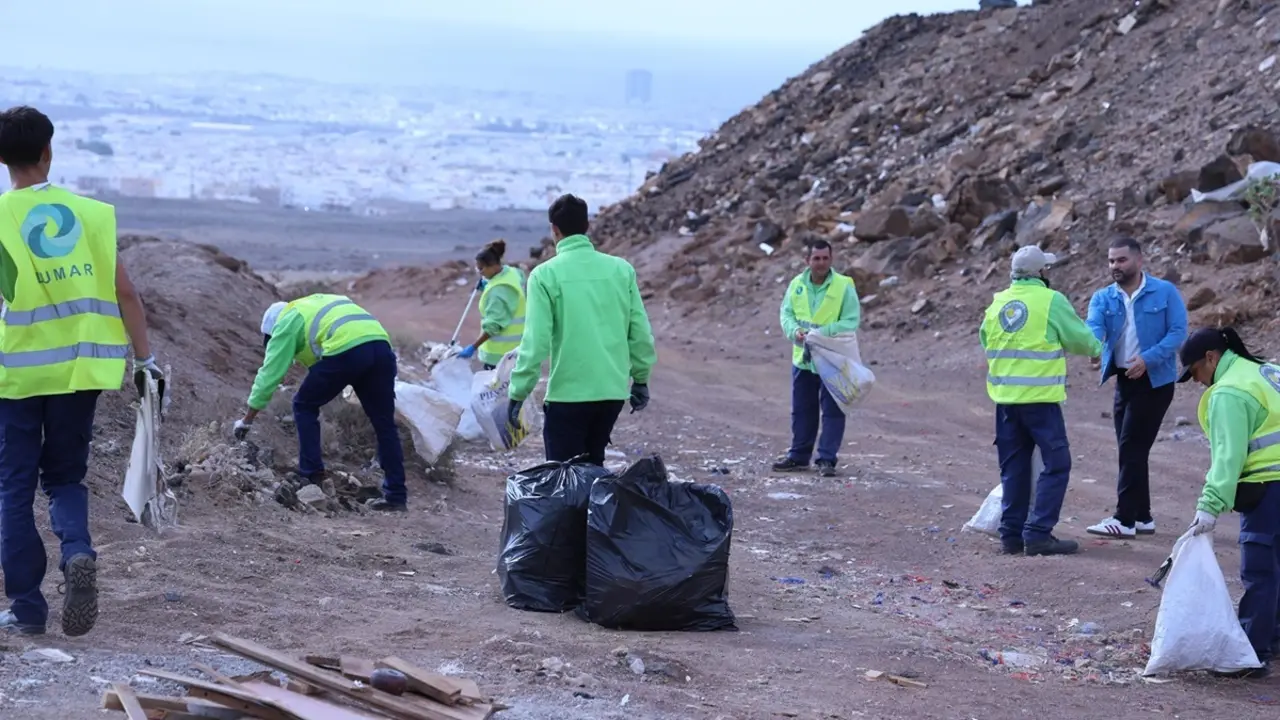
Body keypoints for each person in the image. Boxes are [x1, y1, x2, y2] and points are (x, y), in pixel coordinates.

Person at [0, 105, 161, 637]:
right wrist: (145, 360)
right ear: (49, 151)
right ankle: (77, 552)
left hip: (17, 376)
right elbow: (126, 293)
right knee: (65, 477)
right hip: (82, 372)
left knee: (14, 487)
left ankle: (27, 609)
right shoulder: (91, 215)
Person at [505, 194, 656, 466]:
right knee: (593, 468)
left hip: (568, 396)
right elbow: (640, 332)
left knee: (565, 477)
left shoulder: (544, 275)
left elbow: (536, 341)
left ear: (554, 229)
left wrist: (518, 391)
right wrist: (641, 379)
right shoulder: (621, 270)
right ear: (587, 226)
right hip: (611, 394)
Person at [232, 294, 407, 511]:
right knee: (384, 424)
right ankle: (396, 496)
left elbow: (270, 374)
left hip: (348, 350)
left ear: (272, 330)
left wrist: (247, 420)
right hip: (381, 347)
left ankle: (311, 474)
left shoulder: (287, 320)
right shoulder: (313, 305)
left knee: (304, 405)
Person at [980, 246, 1101, 557]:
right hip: (1040, 402)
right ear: (1041, 272)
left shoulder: (998, 302)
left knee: (1015, 468)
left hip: (1005, 402)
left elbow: (985, 340)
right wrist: (1097, 349)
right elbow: (1081, 340)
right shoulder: (1050, 300)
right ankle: (1037, 534)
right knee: (1057, 464)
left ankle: (1011, 535)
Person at [1181, 327, 1280, 679]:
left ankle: (1249, 653)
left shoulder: (1229, 391)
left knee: (1260, 570)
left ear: (1211, 358)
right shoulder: (1266, 371)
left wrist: (1209, 506)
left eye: (1195, 371)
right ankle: (1274, 636)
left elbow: (1228, 457)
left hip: (1268, 486)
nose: (1196, 381)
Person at [1085, 237, 1188, 538]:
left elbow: (1178, 332)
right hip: (1124, 381)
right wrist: (1092, 346)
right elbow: (1094, 327)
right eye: (1111, 261)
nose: (1115, 266)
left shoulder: (1165, 292)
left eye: (1121, 260)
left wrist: (1147, 358)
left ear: (1139, 260)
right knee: (1132, 448)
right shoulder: (1103, 297)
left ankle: (1124, 519)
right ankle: (1142, 517)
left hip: (1155, 382)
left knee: (1131, 447)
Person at [771, 240, 861, 478]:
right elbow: (786, 314)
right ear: (807, 260)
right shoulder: (797, 285)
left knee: (833, 411)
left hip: (832, 358)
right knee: (803, 410)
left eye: (825, 258)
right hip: (804, 359)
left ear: (831, 259)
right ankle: (799, 456)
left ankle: (826, 459)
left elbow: (851, 320)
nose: (821, 263)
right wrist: (794, 332)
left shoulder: (843, 286)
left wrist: (820, 334)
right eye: (816, 258)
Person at [458, 239, 525, 371]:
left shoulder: (498, 292)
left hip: (500, 356)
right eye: (477, 268)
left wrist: (473, 347)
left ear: (494, 266)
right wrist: (488, 284)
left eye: (482, 268)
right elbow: (513, 294)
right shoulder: (513, 273)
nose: (479, 272)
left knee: (496, 385)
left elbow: (493, 327)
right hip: (519, 349)